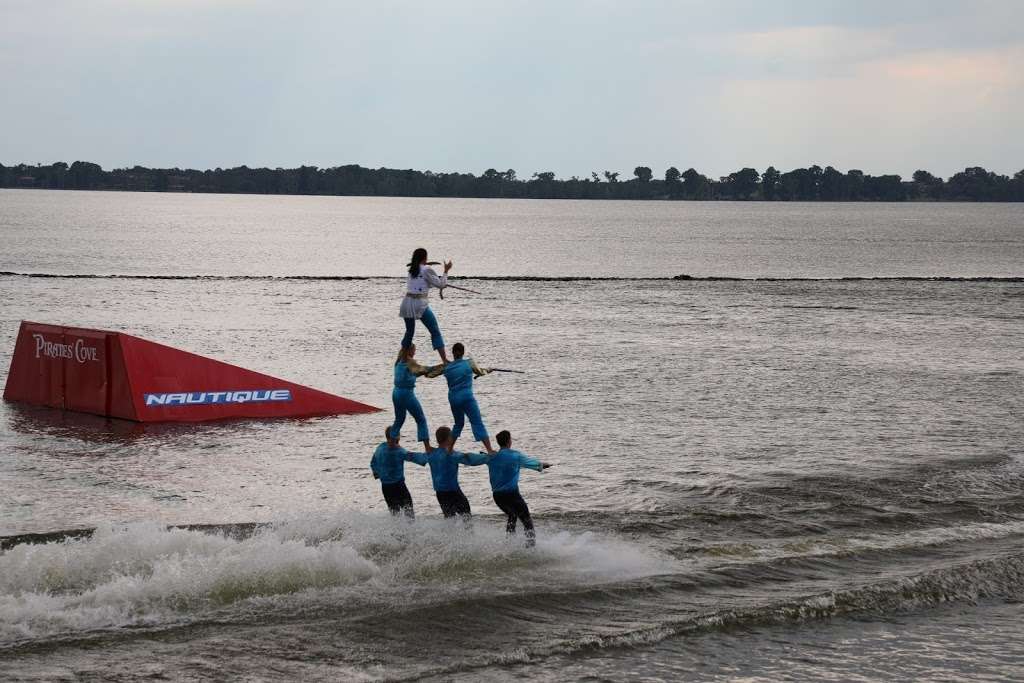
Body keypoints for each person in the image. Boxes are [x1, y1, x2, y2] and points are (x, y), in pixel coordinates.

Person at [486, 430, 551, 547]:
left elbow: (473, 459)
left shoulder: (491, 457)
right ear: (509, 441)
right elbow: (531, 463)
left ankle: (509, 544)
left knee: (512, 515)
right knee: (527, 520)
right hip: (512, 495)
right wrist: (543, 465)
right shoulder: (515, 455)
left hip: (497, 496)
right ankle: (531, 547)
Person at [425, 426, 489, 518]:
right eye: (451, 436)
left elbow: (416, 457)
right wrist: (487, 457)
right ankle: (467, 533)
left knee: (449, 519)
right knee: (467, 518)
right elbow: (469, 459)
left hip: (440, 493)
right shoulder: (451, 455)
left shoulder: (431, 454)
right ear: (448, 438)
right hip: (453, 492)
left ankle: (447, 533)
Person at [401, 247, 452, 363]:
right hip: (419, 303)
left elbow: (423, 284)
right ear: (425, 258)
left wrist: (430, 279)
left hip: (407, 302)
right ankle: (444, 360)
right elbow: (441, 284)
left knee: (409, 332)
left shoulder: (411, 270)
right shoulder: (427, 269)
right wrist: (446, 271)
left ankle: (403, 360)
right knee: (435, 331)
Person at [443, 342, 496, 454]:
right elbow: (480, 372)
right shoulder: (469, 363)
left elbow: (432, 373)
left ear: (453, 353)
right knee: (477, 422)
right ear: (463, 353)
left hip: (453, 398)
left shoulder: (447, 368)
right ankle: (489, 450)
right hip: (467, 397)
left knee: (458, 423)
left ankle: (449, 448)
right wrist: (488, 370)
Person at [389, 343, 442, 451]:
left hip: (396, 393)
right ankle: (427, 447)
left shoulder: (398, 362)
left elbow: (418, 372)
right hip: (406, 394)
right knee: (421, 419)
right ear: (409, 351)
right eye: (414, 350)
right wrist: (442, 366)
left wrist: (434, 372)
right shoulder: (410, 361)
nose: (415, 352)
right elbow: (424, 369)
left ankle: (391, 443)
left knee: (399, 419)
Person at [370, 427, 429, 518]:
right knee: (409, 513)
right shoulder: (399, 451)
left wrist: (376, 473)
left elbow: (373, 462)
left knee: (395, 514)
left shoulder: (380, 448)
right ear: (397, 437)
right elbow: (414, 457)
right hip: (399, 486)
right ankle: (411, 530)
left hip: (385, 487)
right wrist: (429, 455)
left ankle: (397, 531)